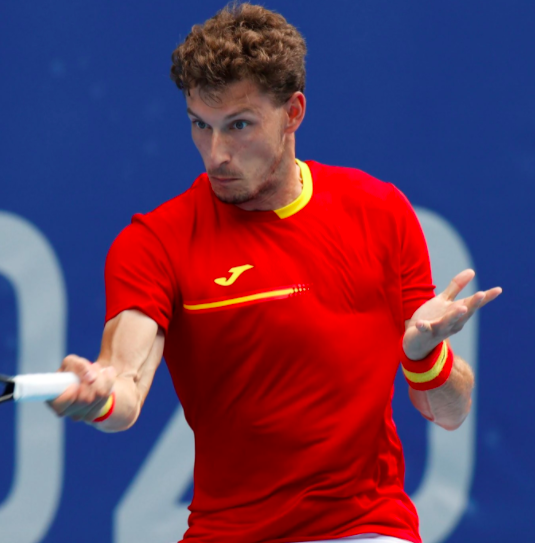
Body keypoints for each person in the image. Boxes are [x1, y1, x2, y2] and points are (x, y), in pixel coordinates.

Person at [50, 4, 502, 542]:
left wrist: (425, 354)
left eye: (238, 126)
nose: (215, 153)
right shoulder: (154, 242)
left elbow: (448, 411)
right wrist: (99, 393)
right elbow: (125, 385)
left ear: (293, 113)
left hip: (362, 527)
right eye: (200, 125)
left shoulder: (380, 213)